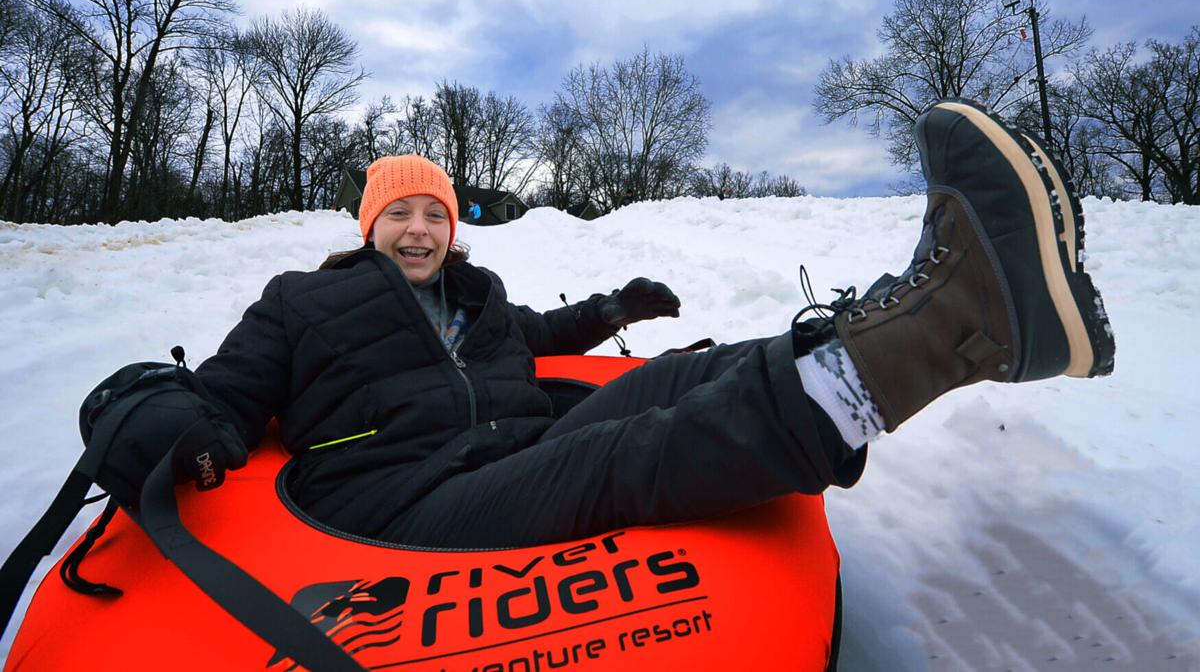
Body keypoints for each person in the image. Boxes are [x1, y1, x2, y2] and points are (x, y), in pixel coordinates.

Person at [85, 101, 1114, 549]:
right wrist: (152, 408)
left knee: (674, 378)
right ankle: (954, 328)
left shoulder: (480, 299)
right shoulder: (303, 300)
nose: (418, 227)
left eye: (433, 212)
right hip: (400, 498)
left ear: (452, 226)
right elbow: (224, 395)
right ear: (369, 225)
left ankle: (948, 329)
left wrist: (617, 307)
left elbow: (539, 334)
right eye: (398, 213)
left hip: (510, 447)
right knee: (626, 450)